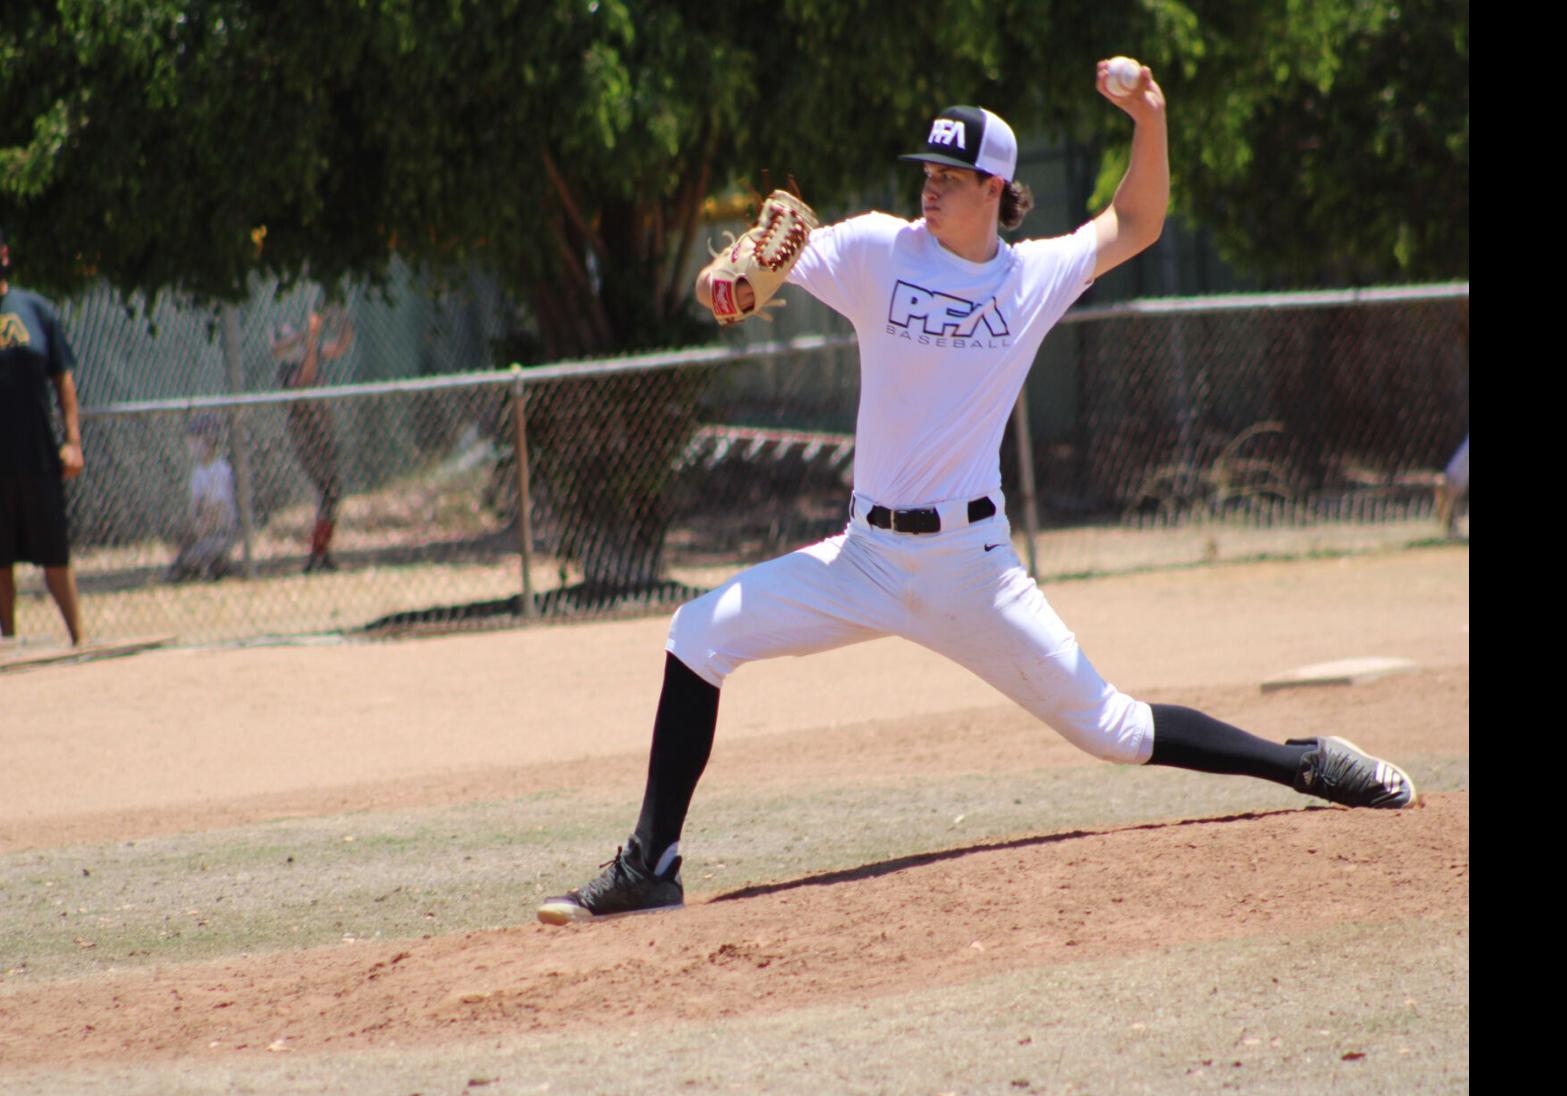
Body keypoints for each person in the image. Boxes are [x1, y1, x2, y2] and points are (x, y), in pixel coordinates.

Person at [537, 63, 1416, 925]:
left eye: (951, 177)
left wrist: (1149, 117)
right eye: (926, 171)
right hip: (865, 557)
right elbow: (727, 281)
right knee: (696, 634)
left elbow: (1138, 219)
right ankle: (650, 864)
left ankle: (1304, 763)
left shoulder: (1029, 276)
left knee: (1110, 728)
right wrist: (727, 273)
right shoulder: (876, 249)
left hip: (972, 568)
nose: (931, 187)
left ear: (995, 186)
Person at [0, 225, 85, 646]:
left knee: (55, 554)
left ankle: (79, 641)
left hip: (36, 455)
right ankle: (9, 645)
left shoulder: (34, 309)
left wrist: (72, 441)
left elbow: (63, 380)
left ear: (4, 254)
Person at [272, 305, 353, 572]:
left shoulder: (310, 353)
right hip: (307, 442)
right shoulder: (285, 372)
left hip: (325, 437)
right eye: (287, 338)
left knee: (332, 495)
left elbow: (340, 346)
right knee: (327, 494)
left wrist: (340, 317)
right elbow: (304, 380)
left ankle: (321, 552)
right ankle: (317, 554)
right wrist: (311, 339)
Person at [167, 412, 239, 581]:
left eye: (195, 441)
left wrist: (201, 529)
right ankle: (208, 564)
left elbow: (217, 508)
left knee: (191, 561)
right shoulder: (198, 472)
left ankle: (217, 564)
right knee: (183, 560)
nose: (191, 446)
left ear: (209, 441)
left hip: (219, 533)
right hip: (203, 532)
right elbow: (196, 507)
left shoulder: (219, 469)